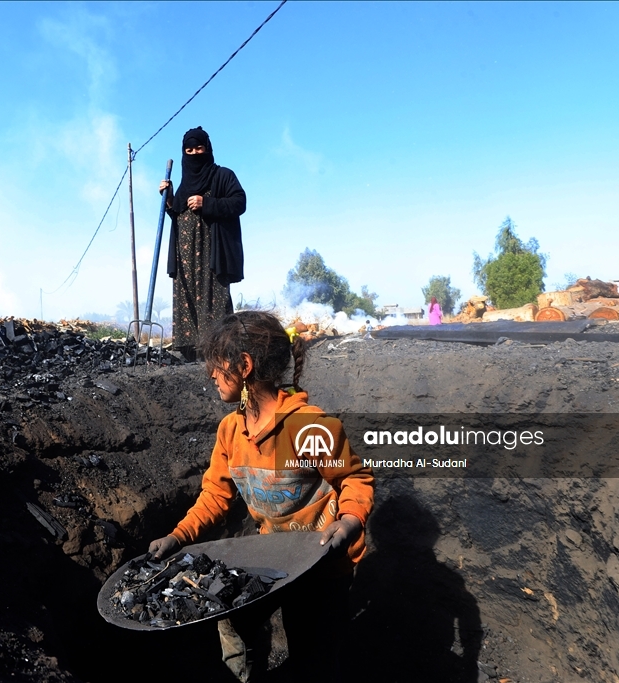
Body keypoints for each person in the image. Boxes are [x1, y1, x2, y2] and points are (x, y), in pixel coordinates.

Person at [148, 311, 374, 681]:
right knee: (231, 618)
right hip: (271, 553)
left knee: (313, 654)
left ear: (245, 365)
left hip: (321, 564)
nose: (211, 375)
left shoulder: (307, 427)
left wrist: (349, 519)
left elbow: (355, 479)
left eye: (218, 366)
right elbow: (215, 496)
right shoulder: (230, 431)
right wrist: (179, 535)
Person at [159, 127, 246, 362]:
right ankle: (190, 352)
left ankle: (219, 351)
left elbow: (239, 202)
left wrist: (207, 203)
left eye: (199, 148)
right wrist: (168, 200)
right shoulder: (184, 184)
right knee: (186, 294)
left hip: (212, 250)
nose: (195, 153)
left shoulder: (223, 175)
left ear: (207, 149)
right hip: (185, 253)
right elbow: (177, 215)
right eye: (189, 150)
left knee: (213, 295)